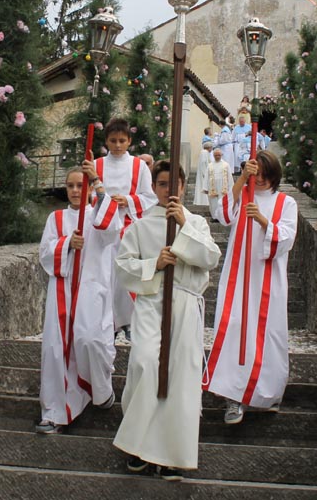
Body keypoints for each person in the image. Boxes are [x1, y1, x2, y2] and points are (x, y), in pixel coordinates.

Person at [113, 161, 221, 480]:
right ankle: (137, 444)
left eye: (175, 184)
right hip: (152, 302)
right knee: (145, 362)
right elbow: (123, 267)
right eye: (162, 184)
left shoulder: (196, 222)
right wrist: (154, 264)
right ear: (154, 187)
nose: (168, 190)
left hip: (185, 303)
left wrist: (184, 225)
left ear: (183, 187)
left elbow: (210, 258)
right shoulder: (140, 226)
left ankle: (173, 453)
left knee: (181, 378)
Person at [205, 150, 298, 425]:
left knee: (269, 333)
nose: (260, 180)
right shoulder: (243, 195)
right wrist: (242, 178)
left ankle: (265, 395)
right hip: (239, 277)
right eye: (257, 174)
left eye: (266, 176)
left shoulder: (286, 203)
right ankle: (234, 396)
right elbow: (222, 214)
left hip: (269, 279)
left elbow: (286, 238)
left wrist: (262, 220)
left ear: (274, 176)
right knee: (235, 329)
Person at [36, 167, 119, 433]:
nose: (74, 191)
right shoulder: (56, 218)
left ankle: (100, 389)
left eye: (80, 186)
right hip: (62, 289)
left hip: (90, 288)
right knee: (55, 348)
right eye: (70, 186)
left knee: (89, 340)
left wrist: (96, 180)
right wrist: (67, 244)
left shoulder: (96, 214)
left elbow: (110, 229)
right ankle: (54, 410)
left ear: (88, 188)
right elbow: (45, 253)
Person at [83, 117, 157, 342]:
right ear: (106, 141)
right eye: (113, 141)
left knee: (127, 275)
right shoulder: (97, 165)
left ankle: (129, 321)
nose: (117, 145)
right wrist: (104, 201)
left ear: (129, 141)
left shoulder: (138, 166)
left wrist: (127, 200)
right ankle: (107, 320)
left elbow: (150, 197)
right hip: (103, 230)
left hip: (128, 227)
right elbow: (90, 197)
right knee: (105, 275)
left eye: (122, 141)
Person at [194, 141, 213, 206]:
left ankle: (204, 201)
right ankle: (203, 202)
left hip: (204, 173)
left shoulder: (205, 153)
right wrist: (205, 174)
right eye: (211, 147)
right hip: (203, 174)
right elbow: (203, 163)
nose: (211, 149)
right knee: (203, 186)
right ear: (209, 147)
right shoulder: (204, 152)